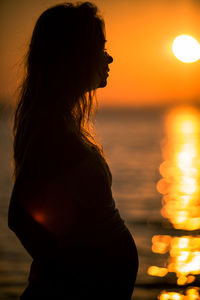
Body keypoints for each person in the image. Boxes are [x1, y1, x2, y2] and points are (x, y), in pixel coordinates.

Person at [8, 2, 138, 299]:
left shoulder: (59, 123)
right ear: (73, 57)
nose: (110, 57)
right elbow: (20, 217)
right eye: (100, 47)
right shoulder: (54, 130)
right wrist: (75, 277)